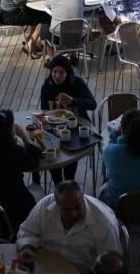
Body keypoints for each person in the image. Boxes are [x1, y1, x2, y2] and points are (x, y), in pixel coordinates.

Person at [16, 181, 123, 274]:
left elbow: (111, 264)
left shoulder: (103, 222)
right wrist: (27, 248)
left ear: (83, 199)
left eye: (77, 207)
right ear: (57, 205)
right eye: (66, 210)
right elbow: (27, 230)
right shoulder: (44, 206)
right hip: (44, 265)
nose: (73, 214)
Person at [39, 55, 96, 183]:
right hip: (54, 128)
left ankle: (69, 182)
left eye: (61, 72)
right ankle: (58, 184)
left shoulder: (77, 83)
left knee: (70, 158)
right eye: (54, 72)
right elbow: (44, 112)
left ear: (68, 72)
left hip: (75, 127)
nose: (57, 76)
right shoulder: (46, 87)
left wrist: (73, 101)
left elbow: (92, 104)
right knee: (51, 154)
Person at [42, 0, 85, 64]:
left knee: (43, 26)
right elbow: (83, 4)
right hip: (78, 36)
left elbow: (48, 6)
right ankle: (73, 55)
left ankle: (53, 60)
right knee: (73, 24)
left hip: (58, 38)